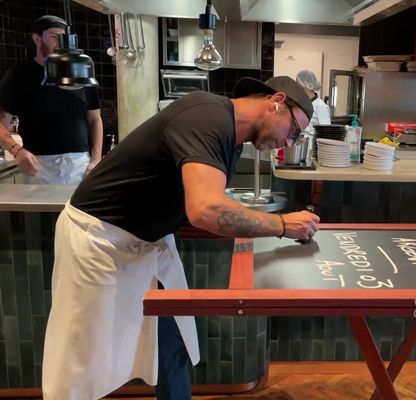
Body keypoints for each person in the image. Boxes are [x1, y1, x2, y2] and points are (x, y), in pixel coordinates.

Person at [41, 75, 321, 400]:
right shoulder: (208, 115)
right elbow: (205, 209)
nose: (289, 143)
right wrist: (283, 225)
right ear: (277, 102)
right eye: (294, 131)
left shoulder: (231, 139)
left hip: (147, 246)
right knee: (81, 365)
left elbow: (196, 203)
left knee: (173, 345)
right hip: (99, 242)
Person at [0, 15, 103, 185]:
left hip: (80, 164)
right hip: (39, 166)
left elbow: (95, 120)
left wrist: (96, 159)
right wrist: (17, 151)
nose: (60, 43)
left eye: (63, 38)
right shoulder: (19, 75)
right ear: (37, 38)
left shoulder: (80, 72)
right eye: (55, 37)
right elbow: (2, 124)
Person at [295, 69, 331, 135]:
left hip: (312, 144)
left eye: (298, 84)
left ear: (307, 84)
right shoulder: (300, 103)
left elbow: (326, 132)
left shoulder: (321, 106)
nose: (296, 87)